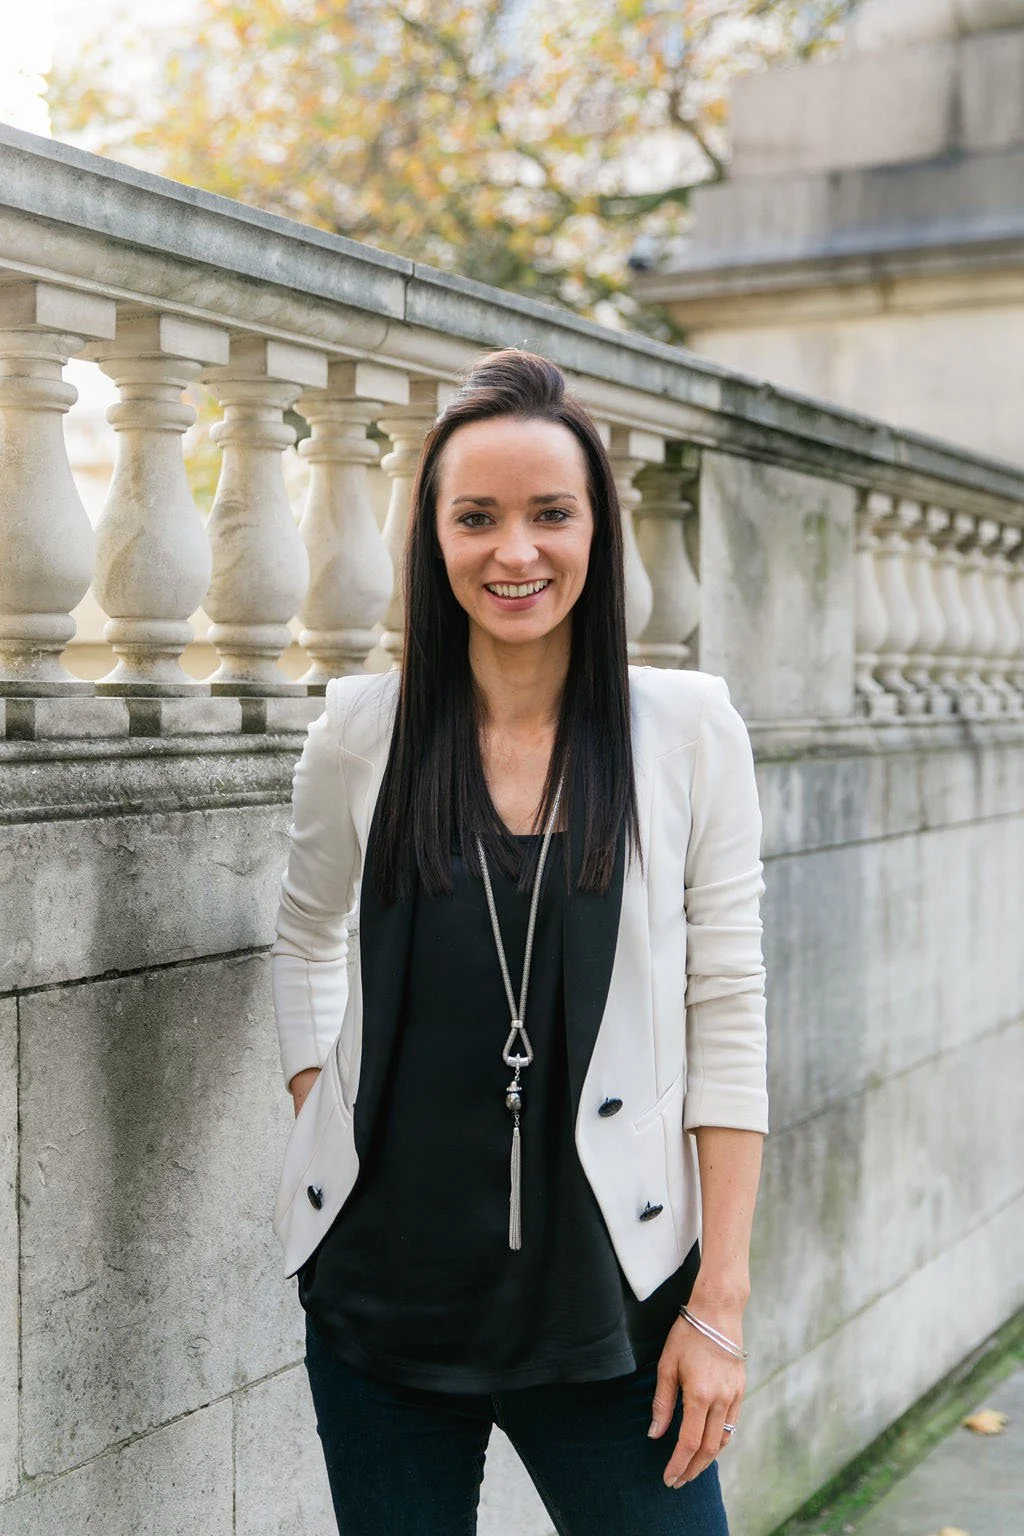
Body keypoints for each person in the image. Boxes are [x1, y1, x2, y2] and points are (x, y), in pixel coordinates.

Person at [270, 349, 768, 1536]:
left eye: (551, 514)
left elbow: (729, 1005)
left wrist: (720, 1303)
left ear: (598, 530)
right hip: (379, 1311)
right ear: (432, 540)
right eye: (476, 517)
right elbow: (300, 938)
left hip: (611, 1314)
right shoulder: (359, 728)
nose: (516, 552)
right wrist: (321, 1103)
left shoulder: (686, 731)